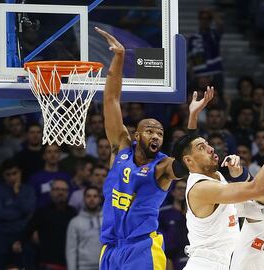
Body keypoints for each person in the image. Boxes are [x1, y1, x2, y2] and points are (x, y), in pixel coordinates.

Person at [95, 27, 214, 270]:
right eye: (150, 131)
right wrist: (118, 58)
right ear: (136, 135)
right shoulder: (120, 149)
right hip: (110, 248)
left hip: (142, 248)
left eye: (160, 133)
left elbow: (188, 160)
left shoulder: (162, 166)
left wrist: (192, 120)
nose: (156, 135)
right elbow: (111, 101)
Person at [172, 113, 264, 270]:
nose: (211, 148)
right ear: (189, 161)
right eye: (203, 148)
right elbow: (259, 188)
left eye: (208, 144)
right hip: (206, 264)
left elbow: (240, 208)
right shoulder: (202, 188)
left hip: (222, 263)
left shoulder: (214, 176)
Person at [66, 186, 102, 270]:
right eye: (88, 196)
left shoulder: (108, 221)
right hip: (83, 267)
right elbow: (71, 250)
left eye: (95, 196)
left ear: (100, 199)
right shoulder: (75, 222)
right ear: (84, 199)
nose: (92, 199)